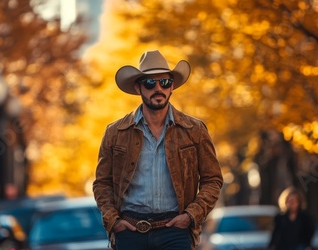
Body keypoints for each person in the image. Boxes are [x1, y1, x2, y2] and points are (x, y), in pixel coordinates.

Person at [93, 50, 223, 250]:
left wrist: (191, 216)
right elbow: (102, 183)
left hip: (175, 232)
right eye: (150, 83)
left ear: (172, 87)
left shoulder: (194, 130)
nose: (158, 89)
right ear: (138, 87)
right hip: (130, 232)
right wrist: (114, 221)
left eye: (164, 83)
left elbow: (212, 180)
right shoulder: (115, 132)